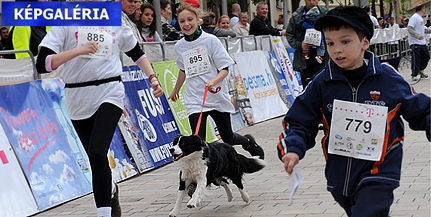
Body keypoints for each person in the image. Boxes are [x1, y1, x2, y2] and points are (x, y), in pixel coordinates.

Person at [277, 6, 431, 217]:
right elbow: (299, 121)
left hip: (380, 170)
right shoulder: (322, 83)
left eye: (345, 41)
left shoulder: (387, 78)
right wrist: (292, 149)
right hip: (340, 176)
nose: (337, 49)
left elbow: (421, 110)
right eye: (330, 43)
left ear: (364, 43)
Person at [35, 20, 163, 217]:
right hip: (77, 96)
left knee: (97, 151)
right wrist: (79, 51)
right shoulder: (65, 24)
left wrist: (153, 78)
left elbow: (136, 52)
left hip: (110, 90)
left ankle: (103, 214)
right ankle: (110, 188)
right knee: (96, 159)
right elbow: (43, 64)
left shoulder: (114, 21)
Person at [168, 4, 265, 160]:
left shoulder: (210, 40)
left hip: (215, 95)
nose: (186, 24)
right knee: (197, 141)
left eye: (190, 19)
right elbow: (183, 70)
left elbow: (225, 68)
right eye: (182, 21)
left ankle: (247, 141)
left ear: (198, 20)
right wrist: (175, 90)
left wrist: (214, 81)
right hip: (195, 98)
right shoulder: (180, 46)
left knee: (228, 138)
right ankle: (204, 176)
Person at [285, 0, 328, 87]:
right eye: (309, 0)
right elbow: (289, 34)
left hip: (323, 57)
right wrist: (300, 45)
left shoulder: (325, 13)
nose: (311, 2)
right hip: (304, 58)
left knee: (323, 85)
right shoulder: (297, 15)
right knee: (308, 86)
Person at [407, 4, 430, 81]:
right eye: (424, 9)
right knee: (416, 58)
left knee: (426, 56)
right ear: (422, 9)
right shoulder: (414, 17)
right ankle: (414, 74)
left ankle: (421, 69)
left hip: (422, 42)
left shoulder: (420, 18)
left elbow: (423, 29)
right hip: (415, 42)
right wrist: (417, 36)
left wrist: (429, 30)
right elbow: (410, 28)